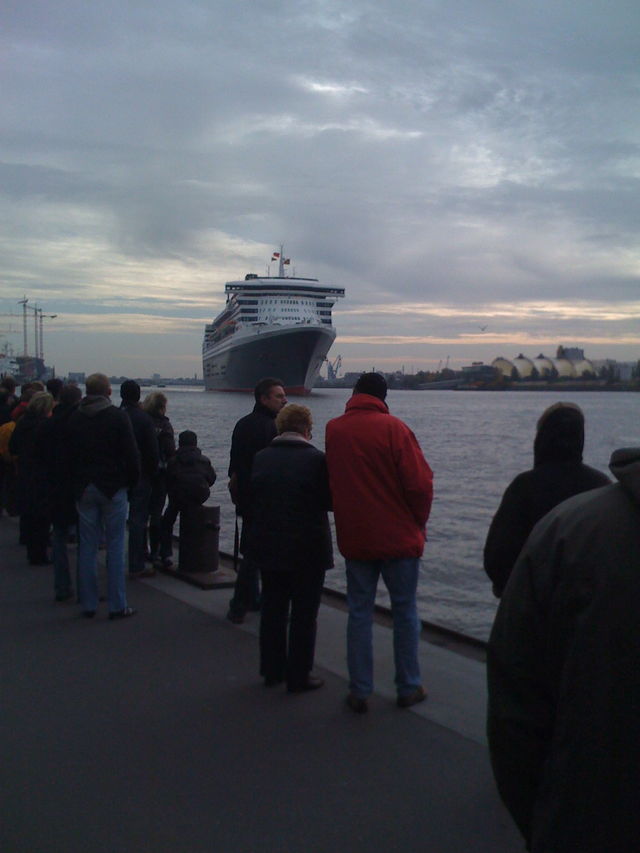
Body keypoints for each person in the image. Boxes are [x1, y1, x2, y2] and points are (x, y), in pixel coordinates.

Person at [486, 445, 640, 853]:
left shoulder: (569, 527)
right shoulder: (592, 490)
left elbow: (513, 709)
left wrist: (548, 818)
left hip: (586, 821)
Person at [325, 372, 434, 713]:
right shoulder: (396, 429)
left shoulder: (334, 429)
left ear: (355, 392)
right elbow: (419, 484)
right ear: (385, 397)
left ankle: (360, 689)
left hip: (357, 536)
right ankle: (408, 686)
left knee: (359, 611)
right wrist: (418, 522)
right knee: (404, 611)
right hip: (399, 537)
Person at [245, 404, 332, 692]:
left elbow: (251, 498)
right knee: (304, 615)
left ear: (280, 427)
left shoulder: (261, 458)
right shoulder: (317, 460)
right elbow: (328, 502)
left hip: (269, 545)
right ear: (307, 428)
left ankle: (271, 669)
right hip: (308, 549)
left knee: (273, 609)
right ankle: (299, 675)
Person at [483, 402, 610, 597]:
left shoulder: (524, 486)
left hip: (531, 609)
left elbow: (496, 558)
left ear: (541, 438)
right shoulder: (603, 486)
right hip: (588, 612)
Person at [66, 373, 140, 619]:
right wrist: (131, 482)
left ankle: (88, 603)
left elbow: (67, 456)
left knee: (86, 547)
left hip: (84, 487)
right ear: (109, 392)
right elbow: (132, 454)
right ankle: (117, 604)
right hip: (113, 488)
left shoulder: (75, 418)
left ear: (86, 391)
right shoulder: (118, 417)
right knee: (116, 545)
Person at [226, 377, 288, 624]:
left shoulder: (242, 424)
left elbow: (234, 463)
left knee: (251, 550)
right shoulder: (272, 428)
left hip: (246, 496)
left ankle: (251, 598)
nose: (285, 400)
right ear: (264, 398)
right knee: (257, 555)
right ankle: (239, 604)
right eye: (279, 396)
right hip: (264, 499)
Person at [37, 383, 83, 601]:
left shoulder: (47, 425)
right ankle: (86, 590)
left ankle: (62, 587)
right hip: (79, 486)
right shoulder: (81, 424)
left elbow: (39, 457)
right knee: (86, 540)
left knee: (59, 536)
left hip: (54, 486)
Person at [9, 391, 55, 564]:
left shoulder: (22, 423)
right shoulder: (46, 426)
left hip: (25, 470)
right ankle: (39, 553)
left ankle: (27, 541)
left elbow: (13, 447)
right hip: (43, 472)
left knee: (28, 510)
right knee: (42, 515)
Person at [158, 430, 216, 568]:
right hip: (199, 495)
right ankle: (197, 551)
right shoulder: (204, 460)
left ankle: (165, 553)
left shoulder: (173, 461)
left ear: (180, 443)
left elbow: (167, 480)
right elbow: (212, 478)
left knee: (167, 522)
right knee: (194, 516)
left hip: (178, 496)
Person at [120, 379, 159, 579]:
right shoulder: (144, 419)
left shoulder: (115, 416)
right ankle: (136, 564)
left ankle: (115, 561)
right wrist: (151, 473)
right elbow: (153, 452)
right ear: (138, 396)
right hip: (141, 476)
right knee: (138, 519)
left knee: (116, 521)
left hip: (117, 477)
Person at [141, 391, 175, 564]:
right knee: (156, 513)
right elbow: (170, 450)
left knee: (139, 514)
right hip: (159, 474)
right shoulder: (164, 425)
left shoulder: (140, 421)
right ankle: (156, 551)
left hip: (140, 473)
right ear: (162, 407)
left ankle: (139, 551)